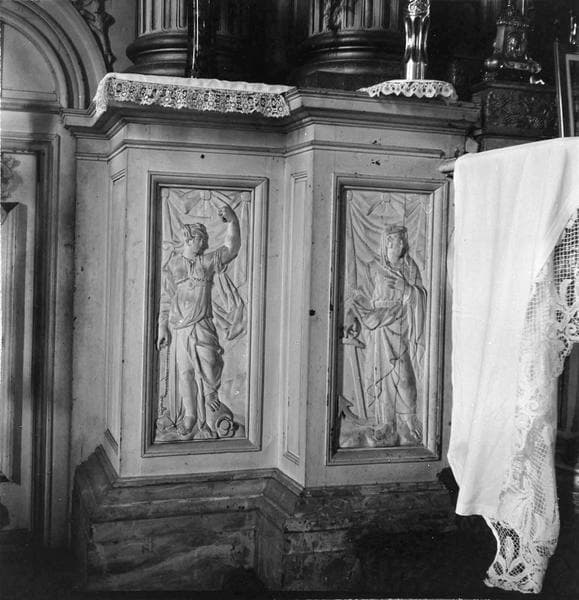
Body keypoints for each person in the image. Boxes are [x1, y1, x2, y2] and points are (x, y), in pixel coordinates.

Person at [157, 204, 240, 439]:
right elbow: (166, 298)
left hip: (203, 325)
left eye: (204, 240)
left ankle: (211, 394)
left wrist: (233, 221)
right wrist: (162, 326)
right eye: (200, 239)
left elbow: (231, 248)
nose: (204, 244)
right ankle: (190, 416)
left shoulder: (207, 262)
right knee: (185, 373)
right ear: (188, 239)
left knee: (211, 364)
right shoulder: (173, 265)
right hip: (181, 328)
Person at [347, 225, 426, 445]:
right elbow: (360, 298)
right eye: (392, 241)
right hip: (379, 330)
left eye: (401, 240)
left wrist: (406, 289)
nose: (398, 244)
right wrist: (353, 317)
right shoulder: (373, 268)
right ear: (386, 243)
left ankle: (409, 419)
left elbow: (421, 297)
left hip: (402, 328)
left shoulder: (410, 268)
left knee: (404, 376)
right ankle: (386, 422)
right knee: (381, 375)